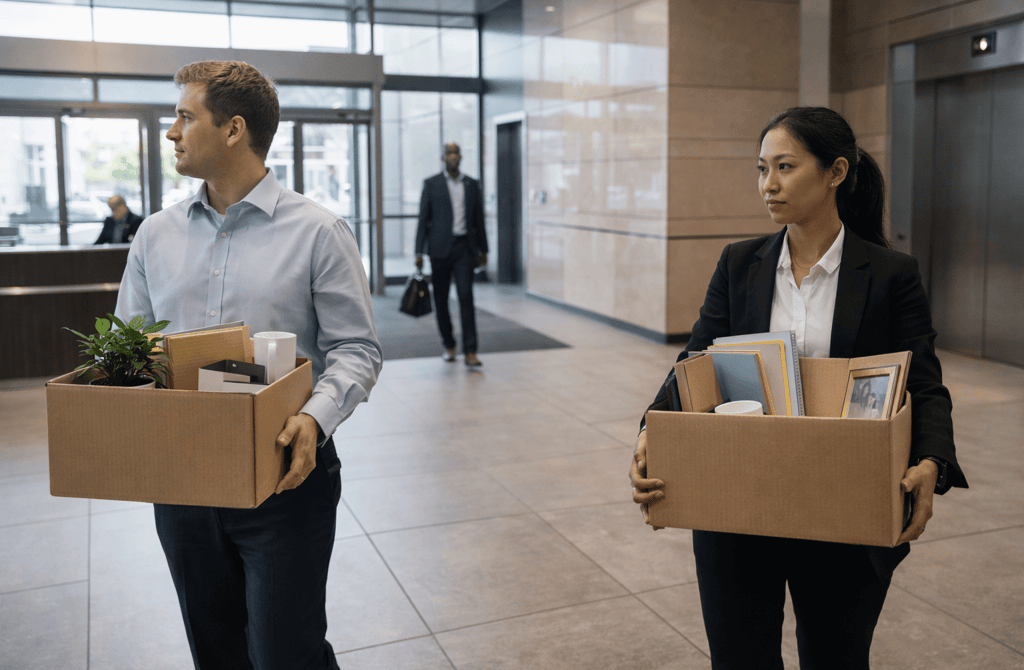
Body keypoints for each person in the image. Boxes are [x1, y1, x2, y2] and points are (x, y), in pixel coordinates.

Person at [629, 107, 967, 669]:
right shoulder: (740, 264)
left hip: (842, 502)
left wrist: (931, 460)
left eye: (784, 167)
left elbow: (924, 385)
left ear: (835, 172)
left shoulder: (889, 274)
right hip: (740, 495)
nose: (769, 185)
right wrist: (650, 432)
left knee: (836, 656)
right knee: (741, 658)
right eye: (762, 169)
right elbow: (694, 360)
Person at [115, 61, 382, 670]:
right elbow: (128, 348)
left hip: (287, 474)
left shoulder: (318, 233)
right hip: (182, 482)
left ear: (234, 129)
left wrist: (315, 419)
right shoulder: (153, 236)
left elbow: (357, 349)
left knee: (285, 653)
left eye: (185, 116)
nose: (172, 132)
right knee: (217, 651)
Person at [415, 142, 488, 366]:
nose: (453, 156)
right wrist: (419, 251)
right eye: (449, 153)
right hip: (439, 250)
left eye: (456, 153)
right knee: (441, 299)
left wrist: (484, 249)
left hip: (464, 248)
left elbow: (478, 220)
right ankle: (448, 344)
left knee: (466, 297)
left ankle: (470, 351)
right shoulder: (431, 184)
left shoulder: (472, 184)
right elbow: (423, 219)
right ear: (443, 158)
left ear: (461, 157)